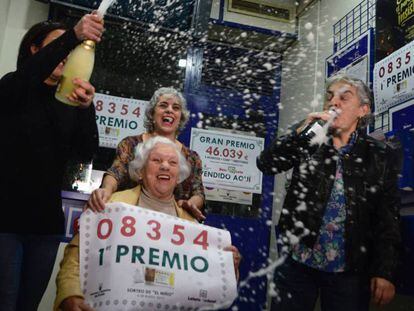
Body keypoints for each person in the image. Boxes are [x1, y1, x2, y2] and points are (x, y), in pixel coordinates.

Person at [257, 75, 401, 311]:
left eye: (344, 97)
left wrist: (385, 271)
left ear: (362, 110)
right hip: (297, 262)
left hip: (350, 269)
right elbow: (267, 164)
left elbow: (388, 217)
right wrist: (298, 135)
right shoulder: (310, 139)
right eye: (330, 96)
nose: (334, 102)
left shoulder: (379, 154)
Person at [54, 136, 240, 310]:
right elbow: (76, 256)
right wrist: (70, 294)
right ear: (141, 172)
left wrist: (227, 268)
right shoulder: (111, 206)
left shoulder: (191, 224)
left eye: (172, 163)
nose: (165, 166)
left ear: (178, 176)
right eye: (156, 160)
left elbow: (202, 285)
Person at [0, 13, 104, 311]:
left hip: (45, 226)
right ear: (35, 49)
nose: (66, 53)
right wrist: (73, 35)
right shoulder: (14, 88)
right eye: (58, 45)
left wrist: (86, 108)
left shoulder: (67, 100)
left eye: (69, 47)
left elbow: (85, 153)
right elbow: (27, 76)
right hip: (5, 222)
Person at [87, 87, 206, 221]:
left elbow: (198, 192)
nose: (170, 110)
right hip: (129, 219)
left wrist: (191, 204)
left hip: (172, 223)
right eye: (163, 105)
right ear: (152, 113)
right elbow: (116, 172)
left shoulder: (192, 158)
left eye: (176, 108)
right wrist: (106, 190)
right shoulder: (131, 144)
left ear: (181, 117)